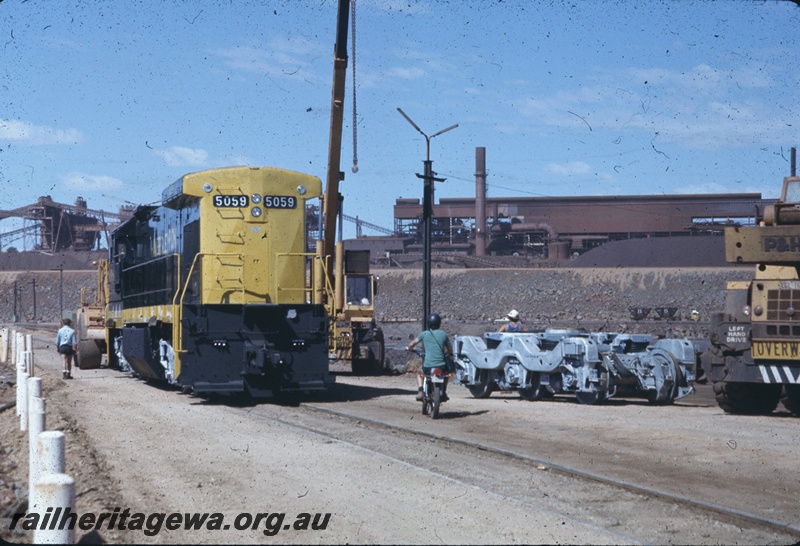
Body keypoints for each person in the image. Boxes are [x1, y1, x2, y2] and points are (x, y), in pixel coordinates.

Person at [407, 313, 452, 402]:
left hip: (428, 366)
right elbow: (449, 349)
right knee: (446, 374)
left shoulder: (424, 334)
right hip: (441, 366)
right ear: (439, 323)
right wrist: (449, 353)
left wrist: (409, 348)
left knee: (420, 372)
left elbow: (412, 343)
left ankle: (420, 391)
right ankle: (443, 391)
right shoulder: (443, 334)